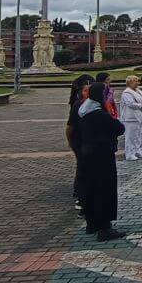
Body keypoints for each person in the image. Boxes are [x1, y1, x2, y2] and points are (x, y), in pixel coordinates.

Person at [77, 82, 126, 241]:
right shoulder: (100, 114)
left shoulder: (83, 110)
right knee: (104, 190)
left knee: (91, 189)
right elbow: (119, 128)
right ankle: (104, 227)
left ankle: (92, 223)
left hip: (87, 154)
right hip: (102, 156)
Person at [66, 74, 94, 214]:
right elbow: (70, 127)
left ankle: (82, 192)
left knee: (84, 167)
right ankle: (80, 195)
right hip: (80, 141)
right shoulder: (78, 105)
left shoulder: (91, 104)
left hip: (87, 141)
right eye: (86, 90)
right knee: (83, 167)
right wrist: (71, 141)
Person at [119, 75, 142, 160]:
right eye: (135, 81)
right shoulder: (127, 93)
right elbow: (130, 104)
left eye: (137, 81)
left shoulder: (138, 91)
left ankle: (137, 151)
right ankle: (129, 153)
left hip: (139, 117)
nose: (137, 83)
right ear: (129, 83)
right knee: (130, 137)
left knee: (138, 135)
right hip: (130, 118)